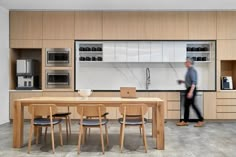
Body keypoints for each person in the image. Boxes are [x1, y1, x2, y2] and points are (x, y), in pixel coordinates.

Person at [176, 57, 204, 127]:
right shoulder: (189, 70)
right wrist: (182, 81)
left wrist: (190, 92)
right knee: (186, 105)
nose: (185, 63)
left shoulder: (192, 70)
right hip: (189, 89)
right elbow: (189, 81)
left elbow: (194, 82)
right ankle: (185, 121)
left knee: (193, 105)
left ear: (189, 62)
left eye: (186, 62)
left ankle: (201, 120)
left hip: (191, 89)